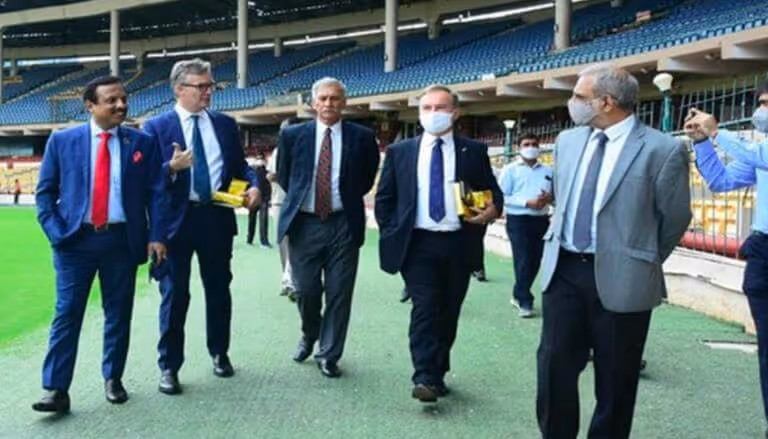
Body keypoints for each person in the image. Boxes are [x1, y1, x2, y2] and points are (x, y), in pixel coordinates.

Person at [535, 64, 691, 438]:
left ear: (606, 102)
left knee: (617, 381)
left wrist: (638, 259)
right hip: (565, 271)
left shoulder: (662, 149)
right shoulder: (568, 141)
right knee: (553, 368)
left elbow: (674, 218)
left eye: (578, 96)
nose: (571, 103)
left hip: (625, 279)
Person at [32, 75, 168, 413]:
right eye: (112, 100)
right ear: (90, 105)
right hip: (75, 243)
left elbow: (156, 192)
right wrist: (57, 233)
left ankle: (113, 378)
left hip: (121, 241)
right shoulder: (62, 141)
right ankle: (56, 389)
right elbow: (45, 194)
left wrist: (156, 236)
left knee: (118, 314)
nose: (121, 105)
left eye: (124, 99)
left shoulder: (141, 143)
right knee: (67, 315)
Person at [375, 84, 503, 403]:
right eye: (427, 108)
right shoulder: (400, 151)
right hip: (417, 245)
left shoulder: (473, 151)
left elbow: (492, 192)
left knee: (448, 310)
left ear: (455, 112)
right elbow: (385, 198)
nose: (434, 114)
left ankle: (438, 371)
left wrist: (491, 210)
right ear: (419, 113)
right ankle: (424, 375)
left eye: (441, 107)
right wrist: (392, 229)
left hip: (459, 243)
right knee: (425, 306)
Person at [143, 58, 261, 395]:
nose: (209, 92)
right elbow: (148, 180)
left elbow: (242, 168)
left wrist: (254, 186)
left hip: (216, 218)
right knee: (175, 295)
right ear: (179, 89)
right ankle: (169, 366)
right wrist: (170, 166)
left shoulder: (225, 124)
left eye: (211, 86)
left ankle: (219, 352)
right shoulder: (156, 127)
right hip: (175, 225)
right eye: (202, 86)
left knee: (219, 289)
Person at [277, 77, 379, 378]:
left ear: (344, 103)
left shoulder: (362, 137)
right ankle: (310, 333)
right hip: (305, 223)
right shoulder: (293, 135)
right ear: (313, 103)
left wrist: (340, 200)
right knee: (306, 290)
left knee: (339, 292)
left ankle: (329, 353)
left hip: (343, 223)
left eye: (335, 98)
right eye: (323, 98)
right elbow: (285, 176)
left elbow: (366, 177)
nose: (328, 104)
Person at [685, 81, 768, 438]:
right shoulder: (759, 152)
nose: (763, 110)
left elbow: (758, 158)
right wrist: (703, 143)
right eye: (762, 102)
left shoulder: (760, 153)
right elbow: (721, 181)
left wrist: (718, 131)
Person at [498, 133, 552, 318]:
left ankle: (518, 292)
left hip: (541, 220)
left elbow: (556, 196)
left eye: (534, 144)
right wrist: (526, 203)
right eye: (526, 144)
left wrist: (548, 199)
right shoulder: (510, 170)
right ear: (519, 147)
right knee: (523, 259)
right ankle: (525, 299)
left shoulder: (549, 171)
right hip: (518, 219)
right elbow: (502, 196)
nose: (531, 147)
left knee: (535, 260)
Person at [270, 118, 298, 299]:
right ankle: (286, 278)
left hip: (297, 203)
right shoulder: (277, 151)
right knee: (282, 242)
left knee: (297, 242)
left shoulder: (305, 149)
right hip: (279, 200)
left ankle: (293, 281)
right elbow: (272, 175)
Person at [247, 154, 272, 248]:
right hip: (260, 198)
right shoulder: (264, 172)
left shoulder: (254, 173)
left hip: (257, 198)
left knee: (255, 220)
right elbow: (268, 186)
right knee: (261, 221)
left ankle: (251, 239)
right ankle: (262, 241)